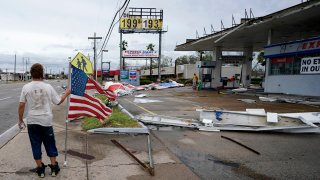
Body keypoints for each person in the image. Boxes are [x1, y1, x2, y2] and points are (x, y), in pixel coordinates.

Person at [18, 63, 71, 178]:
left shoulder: (26, 87)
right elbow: (58, 101)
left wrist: (20, 120)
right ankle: (53, 168)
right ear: (42, 73)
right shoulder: (48, 87)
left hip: (32, 121)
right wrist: (66, 93)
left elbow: (21, 105)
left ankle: (40, 169)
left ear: (31, 74)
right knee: (50, 144)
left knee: (35, 145)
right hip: (46, 121)